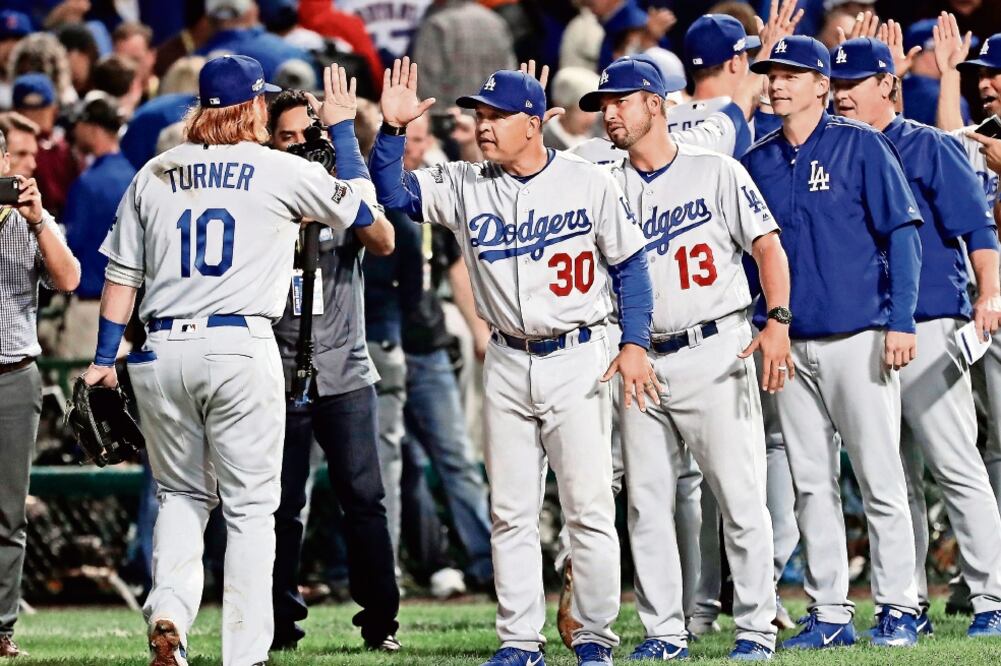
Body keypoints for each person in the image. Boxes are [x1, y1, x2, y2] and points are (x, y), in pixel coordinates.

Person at [80, 55, 384, 666]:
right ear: (251, 107)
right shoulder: (274, 168)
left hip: (161, 351)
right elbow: (366, 220)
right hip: (241, 346)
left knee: (180, 497)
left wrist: (102, 359)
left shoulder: (155, 171)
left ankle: (169, 609)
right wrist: (345, 135)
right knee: (250, 509)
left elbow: (120, 279)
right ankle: (242, 655)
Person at [370, 58, 657, 666]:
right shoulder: (466, 182)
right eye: (480, 114)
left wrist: (634, 344)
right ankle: (520, 640)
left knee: (588, 510)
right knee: (511, 511)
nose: (485, 126)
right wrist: (391, 132)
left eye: (499, 115)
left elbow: (631, 266)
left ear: (535, 123)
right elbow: (390, 191)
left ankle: (596, 637)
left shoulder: (587, 181)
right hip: (505, 358)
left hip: (580, 355)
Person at [578, 54, 791, 661]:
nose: (610, 114)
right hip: (638, 357)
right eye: (603, 105)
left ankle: (754, 627)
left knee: (739, 494)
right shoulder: (602, 182)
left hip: (714, 346)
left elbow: (768, 249)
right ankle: (665, 631)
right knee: (647, 502)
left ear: (654, 102)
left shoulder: (715, 171)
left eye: (620, 101)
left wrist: (776, 320)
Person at [741, 35, 924, 649]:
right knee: (809, 483)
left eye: (792, 74)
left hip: (859, 335)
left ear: (822, 84)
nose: (777, 83)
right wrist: (761, 323)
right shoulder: (757, 160)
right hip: (788, 343)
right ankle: (830, 613)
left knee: (879, 477)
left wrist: (901, 320)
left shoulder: (862, 145)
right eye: (771, 74)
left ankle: (899, 605)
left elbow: (903, 234)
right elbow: (748, 257)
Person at [831, 34, 1001, 640]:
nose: (841, 96)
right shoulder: (831, 150)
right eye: (837, 85)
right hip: (862, 331)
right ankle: (905, 605)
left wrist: (989, 291)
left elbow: (977, 228)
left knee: (954, 464)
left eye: (852, 85)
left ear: (888, 85)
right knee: (888, 476)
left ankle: (993, 598)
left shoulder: (927, 145)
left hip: (930, 321)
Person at [265, 88, 401, 653]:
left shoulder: (340, 193)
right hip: (273, 369)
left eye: (308, 135)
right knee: (277, 505)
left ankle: (380, 624)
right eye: (286, 136)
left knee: (364, 499)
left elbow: (384, 238)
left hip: (343, 369)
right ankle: (276, 624)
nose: (298, 146)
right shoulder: (260, 196)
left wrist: (343, 142)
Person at [0, 123, 80, 660]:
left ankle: (0, 628)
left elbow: (70, 279)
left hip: (12, 373)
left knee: (7, 514)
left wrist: (36, 220)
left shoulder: (30, 218)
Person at [61, 96, 136, 359]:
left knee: (81, 395)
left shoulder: (87, 183)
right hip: (132, 307)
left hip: (92, 309)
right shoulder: (137, 177)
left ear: (91, 128)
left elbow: (71, 246)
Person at [12, 73, 80, 219]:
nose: (35, 117)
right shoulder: (8, 147)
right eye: (28, 111)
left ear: (54, 110)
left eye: (40, 111)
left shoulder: (64, 149)